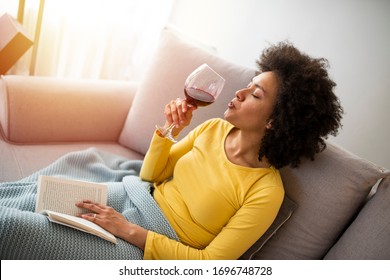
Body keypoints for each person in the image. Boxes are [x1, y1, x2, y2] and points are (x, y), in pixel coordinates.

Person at [75, 41, 343, 259]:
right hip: (133, 200)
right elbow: (149, 176)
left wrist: (128, 231)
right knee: (37, 196)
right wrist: (170, 129)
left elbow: (210, 264)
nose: (240, 92)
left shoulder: (265, 192)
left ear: (275, 121)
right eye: (249, 84)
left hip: (145, 246)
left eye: (255, 94)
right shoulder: (213, 128)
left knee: (31, 231)